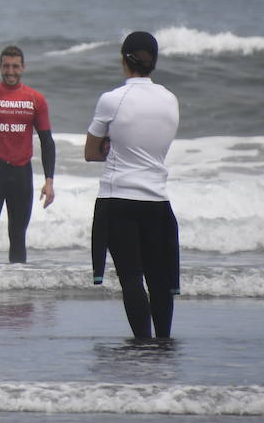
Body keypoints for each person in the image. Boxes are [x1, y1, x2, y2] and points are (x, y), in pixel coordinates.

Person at [84, 30, 180, 340]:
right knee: (159, 279)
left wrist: (111, 145)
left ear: (124, 60)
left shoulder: (112, 99)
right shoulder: (170, 99)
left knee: (132, 279)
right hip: (158, 203)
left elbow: (91, 152)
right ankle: (162, 343)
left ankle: (143, 344)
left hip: (119, 201)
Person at [0, 45, 56, 263]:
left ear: (23, 68)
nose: (10, 71)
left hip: (21, 172)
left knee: (18, 236)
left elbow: (47, 141)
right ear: (0, 67)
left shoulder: (36, 100)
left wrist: (49, 181)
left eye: (15, 66)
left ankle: (19, 292)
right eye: (6, 66)